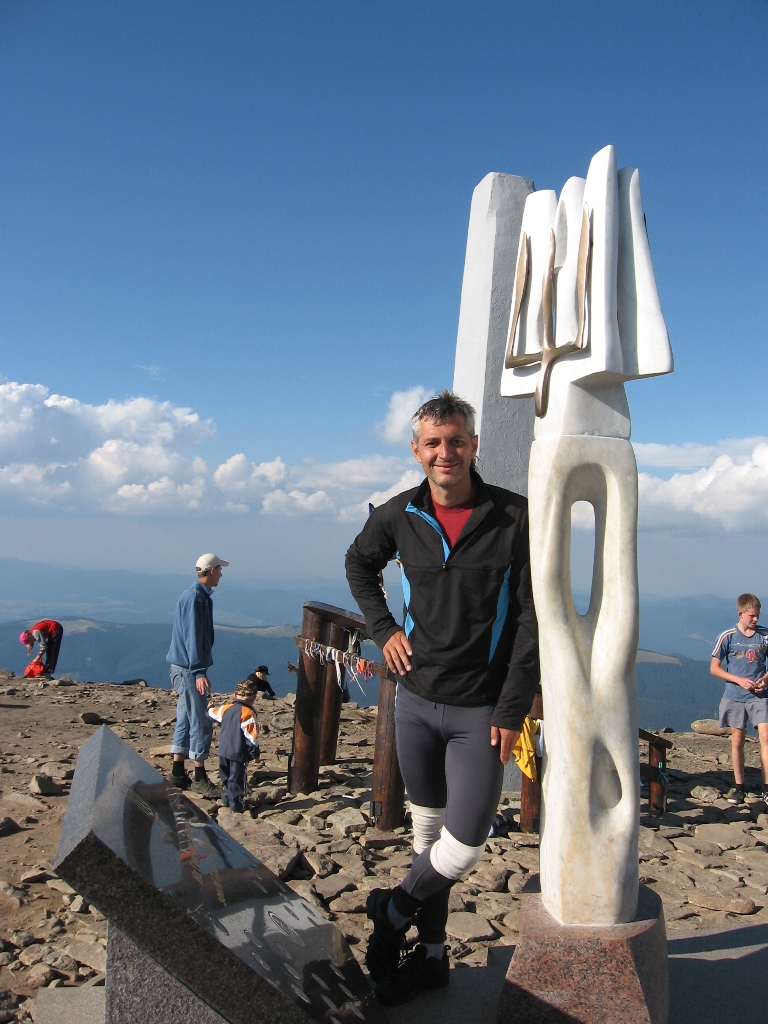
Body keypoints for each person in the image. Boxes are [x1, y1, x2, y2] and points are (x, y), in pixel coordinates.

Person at [345, 389, 539, 1005]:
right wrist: (384, 630)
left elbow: (531, 619)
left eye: (456, 441)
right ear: (416, 450)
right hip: (415, 701)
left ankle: (392, 910)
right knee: (426, 839)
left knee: (466, 841)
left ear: (474, 445)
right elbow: (359, 564)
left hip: (480, 708)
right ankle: (431, 958)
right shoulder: (400, 514)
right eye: (433, 443)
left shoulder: (514, 516)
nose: (445, 452)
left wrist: (512, 708)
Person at [166, 553, 229, 798]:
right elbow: (192, 636)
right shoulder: (195, 598)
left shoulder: (196, 596)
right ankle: (199, 776)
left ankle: (177, 772)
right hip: (189, 669)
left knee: (185, 717)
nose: (221, 574)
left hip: (183, 667)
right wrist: (199, 671)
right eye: (220, 570)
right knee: (201, 720)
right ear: (212, 570)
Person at [711, 593, 768, 805]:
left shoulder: (765, 636)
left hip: (760, 695)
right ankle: (739, 787)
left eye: (757, 615)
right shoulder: (727, 637)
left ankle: (766, 788)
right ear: (740, 614)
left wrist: (765, 679)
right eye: (752, 615)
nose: (756, 619)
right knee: (737, 740)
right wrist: (738, 680)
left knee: (765, 737)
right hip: (735, 696)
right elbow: (714, 668)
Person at [207, 677, 261, 812]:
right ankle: (237, 805)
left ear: (235, 695)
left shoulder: (226, 708)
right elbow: (251, 737)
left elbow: (211, 714)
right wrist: (255, 753)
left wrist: (210, 707)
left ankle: (226, 799)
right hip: (238, 753)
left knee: (225, 777)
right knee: (237, 779)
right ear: (254, 697)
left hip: (223, 751)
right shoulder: (248, 713)